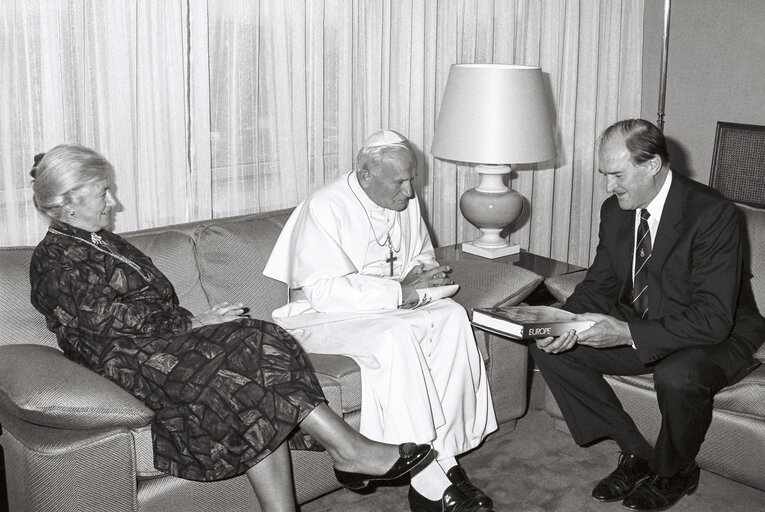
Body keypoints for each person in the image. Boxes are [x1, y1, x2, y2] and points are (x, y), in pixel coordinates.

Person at [28, 144, 432, 512]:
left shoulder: (101, 241)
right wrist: (194, 321)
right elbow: (108, 324)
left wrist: (196, 323)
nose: (112, 202)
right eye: (103, 193)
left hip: (161, 346)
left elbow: (149, 307)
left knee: (257, 349)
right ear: (68, 204)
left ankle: (312, 484)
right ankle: (349, 449)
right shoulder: (54, 259)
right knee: (247, 357)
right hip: (127, 365)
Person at [530, 119, 764, 511]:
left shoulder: (712, 214)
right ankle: (637, 452)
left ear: (652, 165)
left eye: (617, 175)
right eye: (605, 175)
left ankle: (675, 472)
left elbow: (712, 318)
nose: (609, 187)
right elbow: (600, 283)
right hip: (643, 322)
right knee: (548, 347)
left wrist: (626, 334)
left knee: (678, 374)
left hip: (715, 334)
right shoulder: (615, 211)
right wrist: (561, 323)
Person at [264, 130, 497, 512]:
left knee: (453, 317)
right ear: (366, 173)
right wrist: (399, 292)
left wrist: (426, 280)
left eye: (412, 179)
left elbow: (422, 258)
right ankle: (429, 481)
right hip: (320, 316)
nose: (409, 191)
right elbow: (322, 291)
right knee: (397, 336)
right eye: (400, 181)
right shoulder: (326, 205)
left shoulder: (404, 200)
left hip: (387, 305)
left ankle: (444, 456)